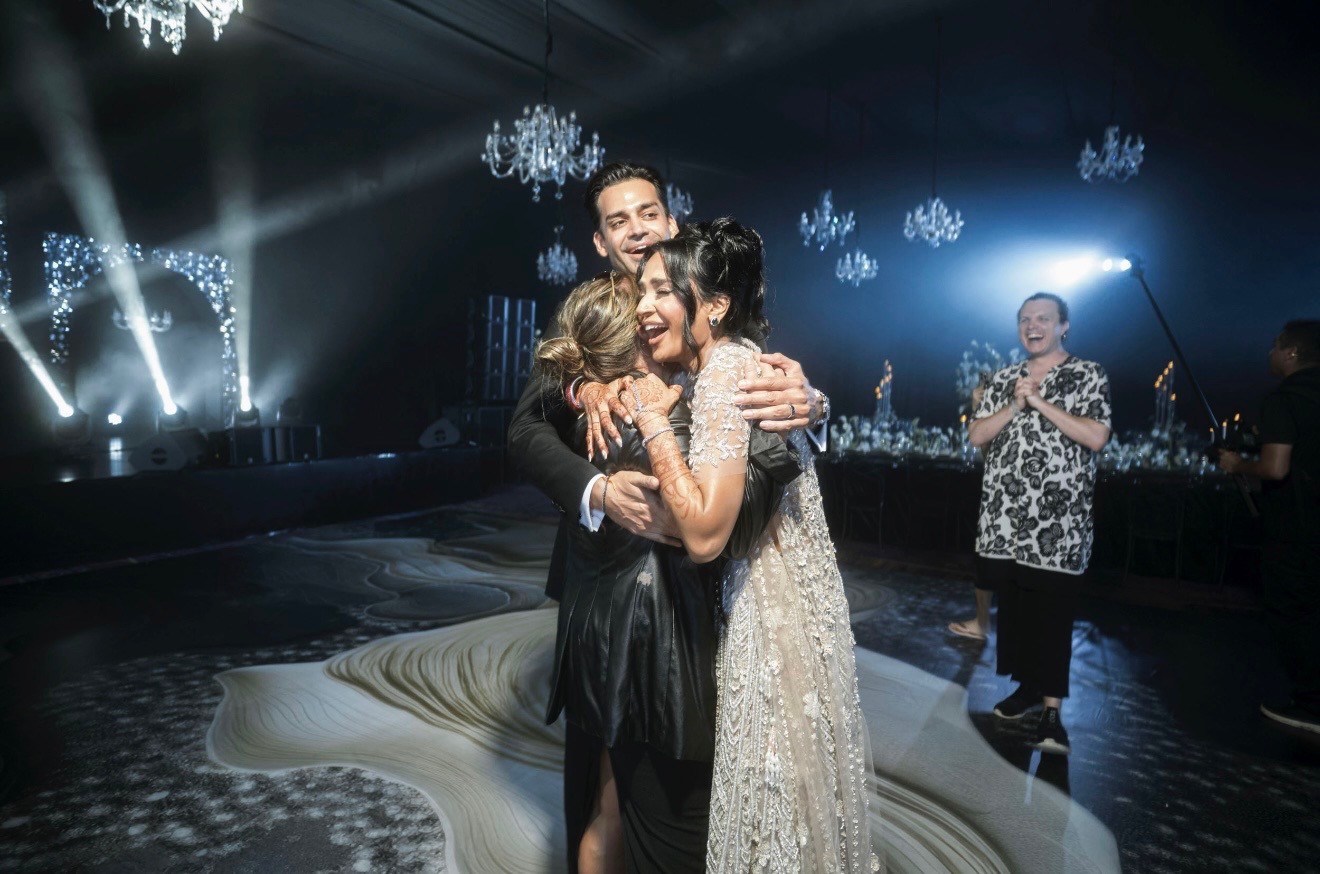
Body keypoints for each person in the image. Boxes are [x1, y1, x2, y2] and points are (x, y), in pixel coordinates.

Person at [506, 161, 831, 870]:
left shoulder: (701, 294)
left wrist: (812, 404)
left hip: (703, 577)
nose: (636, 229)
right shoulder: (588, 312)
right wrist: (596, 480)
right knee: (609, 783)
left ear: (670, 220)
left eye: (647, 213)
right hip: (616, 581)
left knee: (682, 785)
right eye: (617, 221)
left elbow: (751, 381)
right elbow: (527, 427)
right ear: (600, 242)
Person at [624, 219, 877, 873]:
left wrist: (653, 423)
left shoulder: (724, 374)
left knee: (771, 801)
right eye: (642, 291)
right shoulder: (733, 363)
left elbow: (706, 535)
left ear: (713, 304)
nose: (644, 307)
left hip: (765, 607)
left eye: (662, 291)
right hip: (786, 600)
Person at [968, 292, 1111, 755]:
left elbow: (1096, 436)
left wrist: (1039, 403)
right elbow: (977, 434)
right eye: (1025, 319)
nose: (1033, 326)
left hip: (1057, 524)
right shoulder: (1003, 379)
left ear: (1063, 326)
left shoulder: (1088, 374)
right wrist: (1014, 405)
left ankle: (1052, 712)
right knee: (1017, 611)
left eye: (1044, 318)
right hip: (1007, 521)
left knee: (1052, 615)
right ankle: (1028, 688)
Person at [1219, 319, 1320, 735]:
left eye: (1276, 345)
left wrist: (1237, 463)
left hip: (1296, 529)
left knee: (1293, 612)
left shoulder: (1284, 398)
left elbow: (1276, 468)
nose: (1270, 352)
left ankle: (1311, 705)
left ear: (1292, 352)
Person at [949, 379, 993, 641]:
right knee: (985, 559)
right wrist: (978, 407)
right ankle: (982, 622)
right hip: (998, 493)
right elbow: (985, 449)